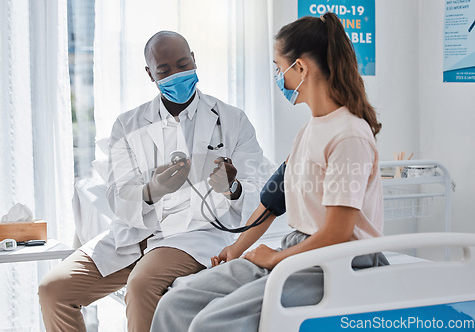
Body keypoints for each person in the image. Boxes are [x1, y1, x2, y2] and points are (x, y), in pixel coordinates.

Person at [150, 12, 388, 332]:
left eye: (279, 67)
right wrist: (236, 249)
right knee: (175, 303)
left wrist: (275, 258)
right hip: (299, 250)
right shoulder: (311, 130)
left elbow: (338, 233)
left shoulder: (348, 135)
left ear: (300, 68)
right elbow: (274, 198)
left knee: (210, 323)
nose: (278, 76)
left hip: (339, 261)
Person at [38, 31, 264, 332]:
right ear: (150, 74)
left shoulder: (232, 120)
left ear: (194, 60)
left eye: (183, 64)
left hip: (191, 236)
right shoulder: (128, 124)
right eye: (164, 70)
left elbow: (256, 194)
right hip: (133, 236)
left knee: (141, 285)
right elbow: (118, 196)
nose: (176, 74)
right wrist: (151, 190)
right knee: (54, 290)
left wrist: (230, 188)